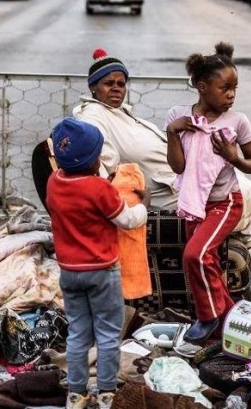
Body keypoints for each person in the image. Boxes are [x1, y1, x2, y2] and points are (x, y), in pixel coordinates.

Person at [71, 49, 251, 258]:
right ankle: (247, 243)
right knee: (242, 190)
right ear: (93, 87)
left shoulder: (116, 110)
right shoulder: (92, 117)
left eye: (121, 83)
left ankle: (242, 241)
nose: (117, 89)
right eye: (109, 84)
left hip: (176, 175)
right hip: (163, 187)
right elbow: (100, 161)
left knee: (236, 181)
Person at [46, 118, 149, 409]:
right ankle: (106, 393)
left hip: (69, 272)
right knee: (107, 333)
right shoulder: (100, 190)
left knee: (78, 333)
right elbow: (128, 220)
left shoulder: (54, 183)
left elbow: (79, 191)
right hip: (103, 272)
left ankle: (76, 394)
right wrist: (145, 203)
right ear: (92, 161)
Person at [165, 42, 251, 344]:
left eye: (235, 88)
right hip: (195, 203)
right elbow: (178, 167)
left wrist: (233, 158)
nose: (231, 95)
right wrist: (173, 132)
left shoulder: (237, 121)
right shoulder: (179, 116)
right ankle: (232, 323)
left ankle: (208, 317)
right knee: (206, 263)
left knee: (194, 254)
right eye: (225, 88)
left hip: (225, 202)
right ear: (202, 87)